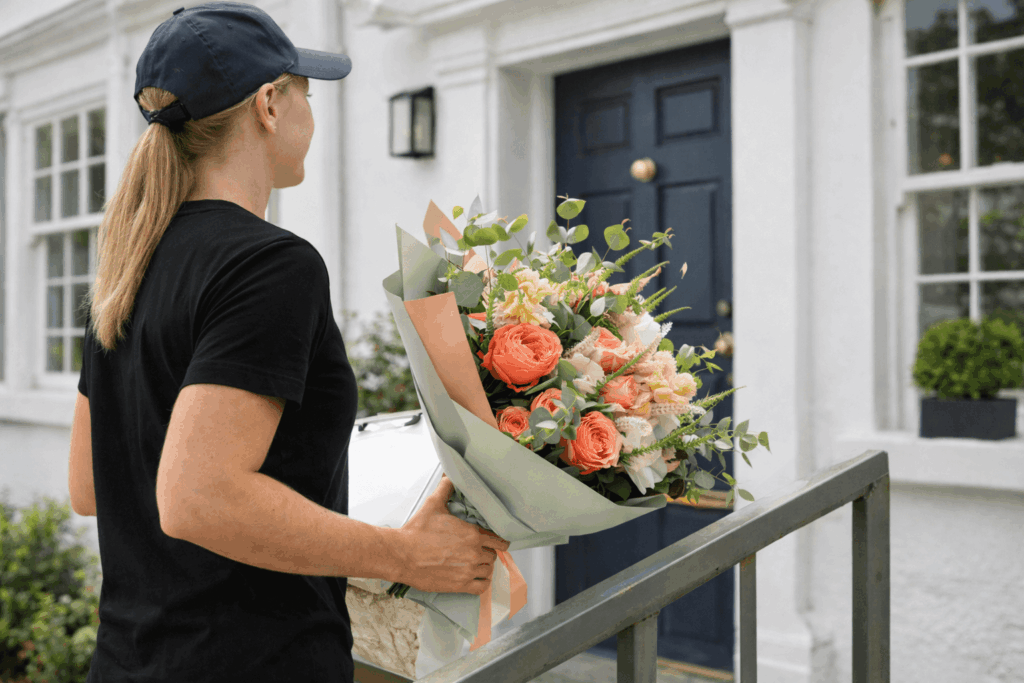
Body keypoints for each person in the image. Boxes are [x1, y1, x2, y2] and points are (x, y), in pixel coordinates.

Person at [67, 3, 509, 681]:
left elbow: (90, 485)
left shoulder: (127, 267)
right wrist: (403, 554)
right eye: (305, 90)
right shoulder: (271, 265)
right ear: (270, 104)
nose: (310, 110)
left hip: (128, 661)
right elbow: (196, 497)